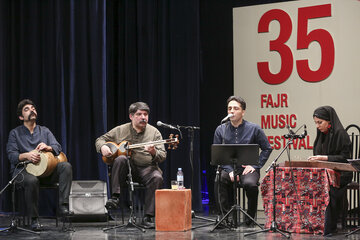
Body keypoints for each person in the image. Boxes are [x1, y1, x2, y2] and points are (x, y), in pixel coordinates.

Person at [95, 102, 166, 229]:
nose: (143, 117)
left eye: (145, 114)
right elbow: (100, 140)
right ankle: (115, 198)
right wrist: (103, 147)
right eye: (139, 114)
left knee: (157, 177)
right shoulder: (121, 130)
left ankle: (148, 217)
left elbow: (162, 155)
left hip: (147, 168)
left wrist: (153, 151)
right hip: (128, 168)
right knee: (121, 159)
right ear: (131, 116)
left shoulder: (154, 132)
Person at [6, 99, 73, 231]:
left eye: (33, 108)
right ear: (21, 117)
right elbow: (12, 156)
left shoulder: (45, 131)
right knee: (32, 180)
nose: (32, 110)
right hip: (23, 172)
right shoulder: (15, 133)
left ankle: (63, 206)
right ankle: (34, 219)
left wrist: (48, 147)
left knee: (66, 166)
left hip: (45, 171)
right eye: (27, 109)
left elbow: (57, 147)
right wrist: (27, 155)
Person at [213, 96, 272, 226]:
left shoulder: (254, 128)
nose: (231, 111)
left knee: (250, 184)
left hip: (248, 168)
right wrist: (229, 170)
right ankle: (225, 218)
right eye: (229, 108)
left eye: (235, 108)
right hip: (228, 168)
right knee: (219, 179)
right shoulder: (220, 129)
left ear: (243, 112)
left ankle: (250, 218)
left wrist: (255, 165)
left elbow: (267, 148)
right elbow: (218, 154)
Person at [308, 106, 353, 236]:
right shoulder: (321, 135)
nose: (317, 126)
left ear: (329, 121)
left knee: (329, 188)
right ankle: (313, 224)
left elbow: (346, 159)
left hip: (342, 174)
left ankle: (328, 226)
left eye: (319, 122)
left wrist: (325, 158)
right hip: (325, 173)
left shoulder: (341, 134)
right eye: (315, 122)